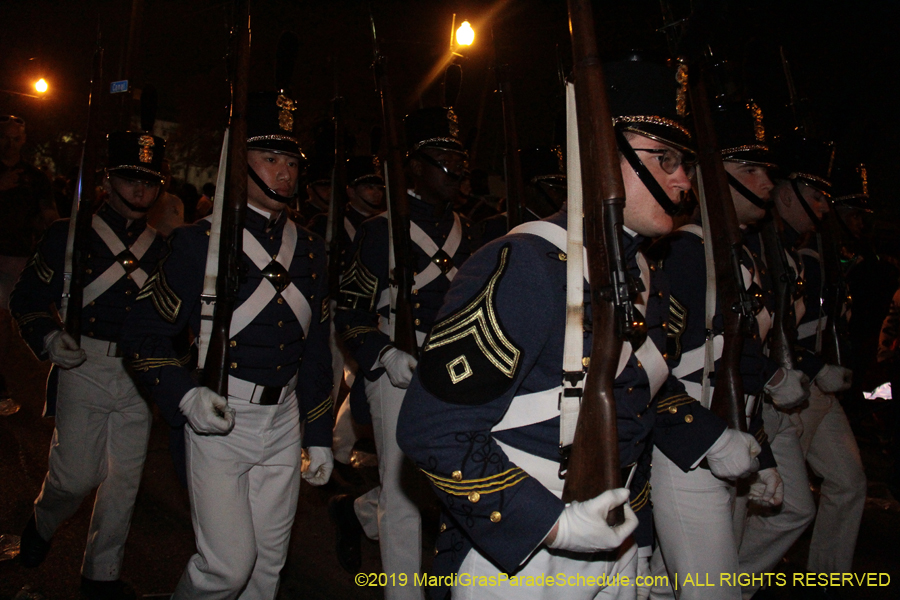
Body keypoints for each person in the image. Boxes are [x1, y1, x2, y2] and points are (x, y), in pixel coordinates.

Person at [396, 59, 759, 600]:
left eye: (682, 162)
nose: (683, 179)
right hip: (523, 553)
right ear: (600, 157)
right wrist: (551, 524)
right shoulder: (525, 265)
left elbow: (637, 387)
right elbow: (434, 429)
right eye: (663, 159)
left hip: (618, 544)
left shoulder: (641, 269)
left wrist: (712, 437)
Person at [120, 90, 334, 598]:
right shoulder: (197, 244)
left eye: (290, 162)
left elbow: (317, 347)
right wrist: (185, 394)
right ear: (240, 164)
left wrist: (319, 432)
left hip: (283, 420)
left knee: (267, 568)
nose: (285, 173)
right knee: (226, 568)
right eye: (269, 158)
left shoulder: (311, 248)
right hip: (219, 416)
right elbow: (142, 333)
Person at [648, 100, 813, 600]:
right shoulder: (681, 255)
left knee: (663, 587)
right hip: (689, 448)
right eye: (750, 169)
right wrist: (715, 441)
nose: (766, 183)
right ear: (710, 178)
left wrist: (757, 449)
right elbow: (652, 371)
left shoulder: (739, 255)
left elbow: (741, 366)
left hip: (732, 441)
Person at [12, 130, 169, 599]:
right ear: (107, 179)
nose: (141, 189)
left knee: (124, 483)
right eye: (129, 177)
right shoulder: (69, 233)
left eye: (150, 180)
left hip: (139, 372)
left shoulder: (162, 248)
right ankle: (43, 520)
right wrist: (49, 335)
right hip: (85, 364)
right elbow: (29, 298)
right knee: (75, 476)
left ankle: (100, 577)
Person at [331, 107, 477, 598]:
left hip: (458, 372)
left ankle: (354, 511)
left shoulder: (469, 231)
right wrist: (384, 354)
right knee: (402, 499)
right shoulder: (378, 232)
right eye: (441, 158)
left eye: (459, 158)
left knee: (454, 482)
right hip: (396, 372)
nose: (454, 170)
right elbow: (349, 312)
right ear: (413, 165)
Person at [770, 134, 866, 573]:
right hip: (795, 387)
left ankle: (829, 578)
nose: (824, 207)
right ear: (787, 195)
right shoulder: (781, 252)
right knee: (776, 504)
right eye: (815, 196)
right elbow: (775, 333)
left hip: (819, 388)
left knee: (849, 483)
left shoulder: (810, 252)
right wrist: (814, 366)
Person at [0, 114, 57, 415]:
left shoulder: (34, 177)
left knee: (12, 321)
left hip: (19, 256)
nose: (10, 144)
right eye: (5, 137)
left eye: (16, 138)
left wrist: (55, 225)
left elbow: (48, 212)